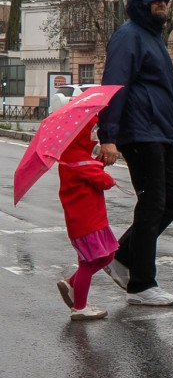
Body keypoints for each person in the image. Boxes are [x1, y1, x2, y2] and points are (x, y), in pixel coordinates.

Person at [97, 0, 173, 306]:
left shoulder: (153, 37)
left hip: (160, 133)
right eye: (156, 1)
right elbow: (114, 86)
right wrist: (108, 137)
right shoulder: (128, 37)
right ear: (141, 4)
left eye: (165, 0)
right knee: (152, 204)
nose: (162, 5)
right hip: (139, 132)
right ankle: (141, 285)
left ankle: (121, 256)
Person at [56, 117, 119, 321]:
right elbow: (103, 181)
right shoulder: (76, 158)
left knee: (108, 255)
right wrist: (107, 175)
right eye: (91, 131)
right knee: (88, 262)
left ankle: (71, 284)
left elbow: (90, 170)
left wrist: (97, 164)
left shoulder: (75, 157)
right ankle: (80, 307)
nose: (94, 135)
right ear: (79, 136)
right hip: (86, 223)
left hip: (94, 220)